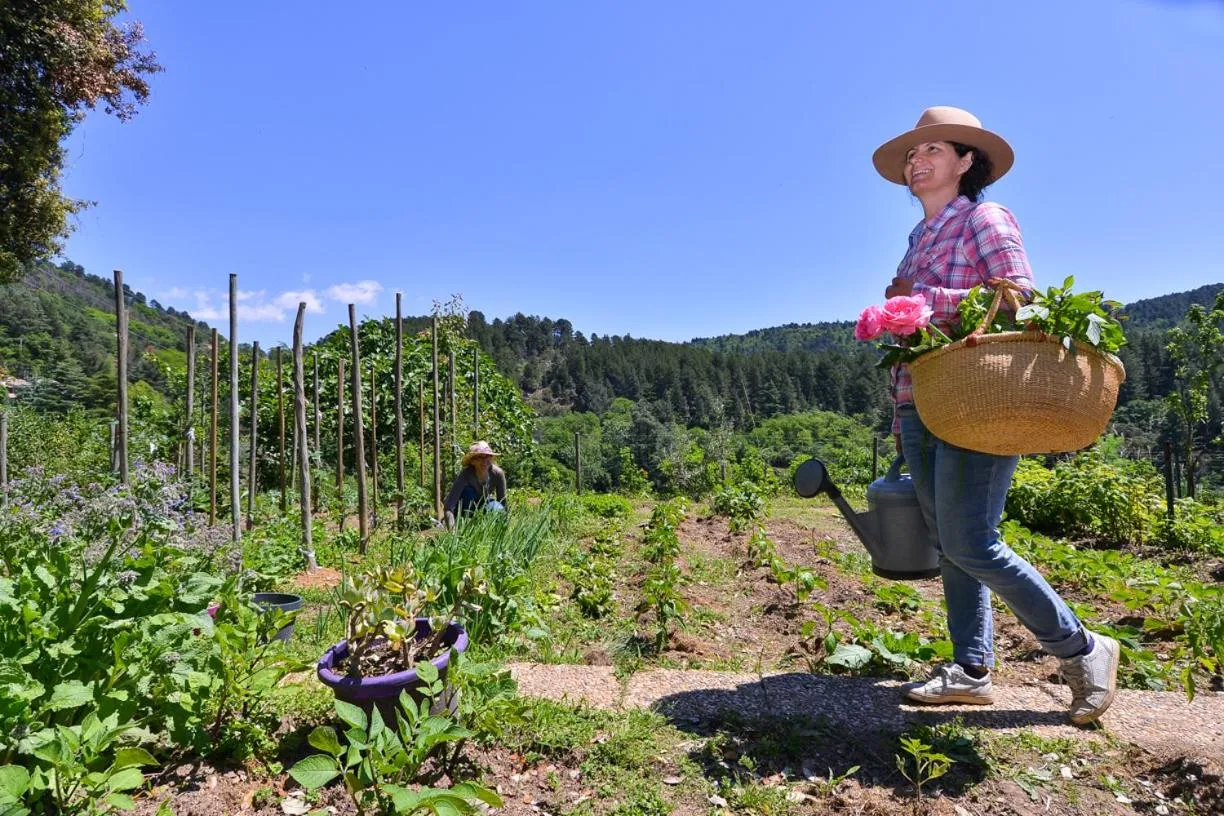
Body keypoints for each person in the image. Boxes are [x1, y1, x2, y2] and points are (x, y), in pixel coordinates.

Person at [871, 106, 1119, 725]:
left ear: (966, 162)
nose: (917, 161)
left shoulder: (985, 217)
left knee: (972, 540)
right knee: (952, 544)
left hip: (983, 397)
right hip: (924, 397)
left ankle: (1084, 649)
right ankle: (972, 669)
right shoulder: (918, 237)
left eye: (932, 150)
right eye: (910, 154)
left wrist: (920, 300)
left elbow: (1019, 298)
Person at [443, 441, 507, 528]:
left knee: (498, 508)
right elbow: (449, 506)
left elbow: (503, 502)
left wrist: (504, 526)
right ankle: (464, 526)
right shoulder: (466, 475)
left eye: (487, 456)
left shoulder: (497, 474)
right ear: (473, 461)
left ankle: (489, 530)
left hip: (484, 505)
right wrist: (452, 531)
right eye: (480, 457)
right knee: (468, 492)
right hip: (465, 508)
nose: (484, 461)